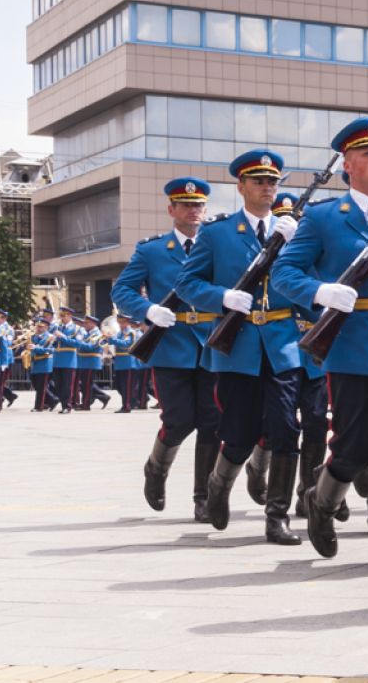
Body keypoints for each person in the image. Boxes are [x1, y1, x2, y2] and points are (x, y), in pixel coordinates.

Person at [272, 118, 368, 577]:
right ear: (347, 163)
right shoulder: (324, 217)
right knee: (353, 448)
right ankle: (321, 502)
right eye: (367, 152)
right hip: (352, 345)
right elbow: (285, 274)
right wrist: (321, 293)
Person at [178, 150, 305, 544]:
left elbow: (307, 281)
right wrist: (222, 298)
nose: (267, 188)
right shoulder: (217, 234)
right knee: (239, 433)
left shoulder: (295, 232)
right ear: (241, 187)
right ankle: (218, 485)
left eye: (273, 182)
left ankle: (277, 517)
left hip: (283, 345)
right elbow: (187, 283)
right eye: (259, 181)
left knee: (286, 429)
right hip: (238, 346)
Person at [114, 177, 223, 519]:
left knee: (212, 422)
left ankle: (203, 498)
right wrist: (147, 310)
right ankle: (156, 468)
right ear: (171, 209)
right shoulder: (152, 250)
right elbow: (122, 291)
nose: (194, 211)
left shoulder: (218, 246)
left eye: (199, 205)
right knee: (178, 420)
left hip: (211, 344)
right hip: (170, 344)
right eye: (186, 204)